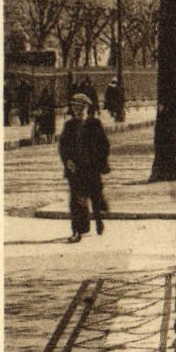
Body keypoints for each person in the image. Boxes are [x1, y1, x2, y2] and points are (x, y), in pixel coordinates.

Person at [58, 91, 110, 241]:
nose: (78, 111)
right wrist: (67, 160)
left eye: (81, 108)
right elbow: (63, 146)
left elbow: (104, 145)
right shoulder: (69, 125)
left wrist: (99, 161)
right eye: (75, 108)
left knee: (95, 196)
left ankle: (98, 220)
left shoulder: (95, 124)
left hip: (91, 168)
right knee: (76, 201)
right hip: (76, 170)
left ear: (87, 108)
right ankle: (78, 231)